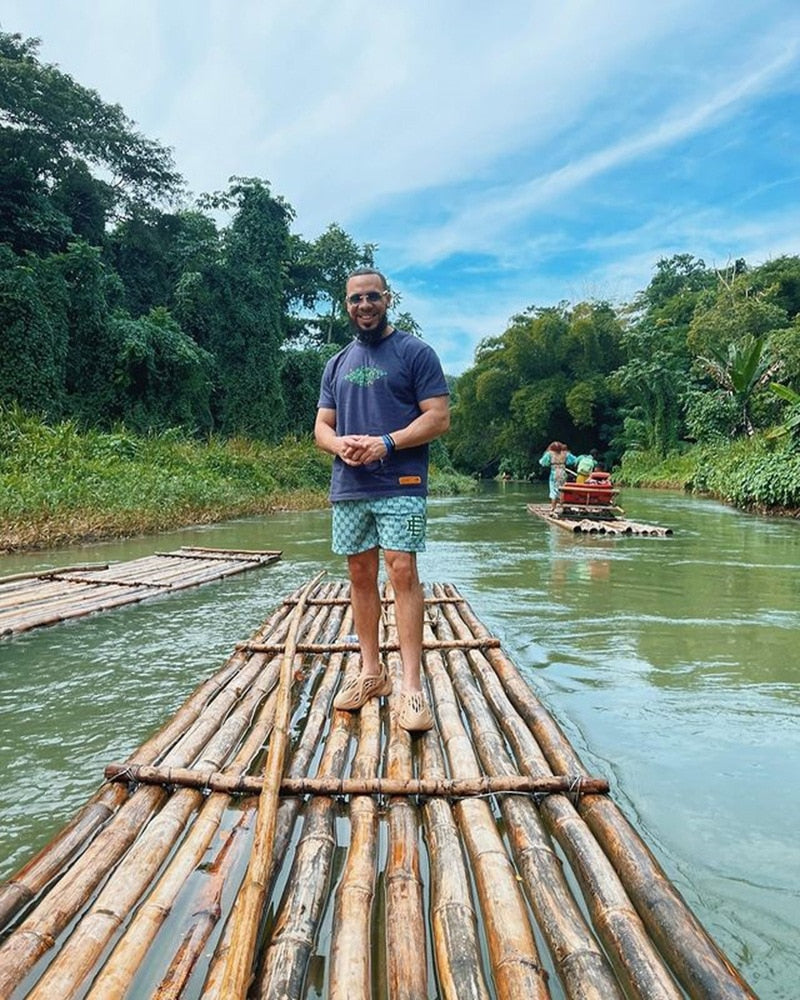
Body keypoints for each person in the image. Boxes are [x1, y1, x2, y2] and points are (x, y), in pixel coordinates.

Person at [314, 267, 450, 732]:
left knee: (403, 570)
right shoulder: (336, 364)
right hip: (350, 486)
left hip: (402, 484)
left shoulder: (415, 353)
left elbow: (438, 418)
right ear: (346, 304)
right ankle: (372, 673)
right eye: (355, 299)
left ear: (387, 299)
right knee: (358, 574)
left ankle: (411, 686)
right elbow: (321, 428)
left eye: (372, 297)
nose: (364, 306)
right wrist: (341, 445)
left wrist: (386, 443)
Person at [539, 441, 577, 513]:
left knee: (553, 490)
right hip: (563, 473)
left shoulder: (549, 454)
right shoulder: (565, 453)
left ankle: (553, 507)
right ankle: (563, 506)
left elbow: (543, 462)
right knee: (562, 490)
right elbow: (574, 460)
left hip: (554, 473)